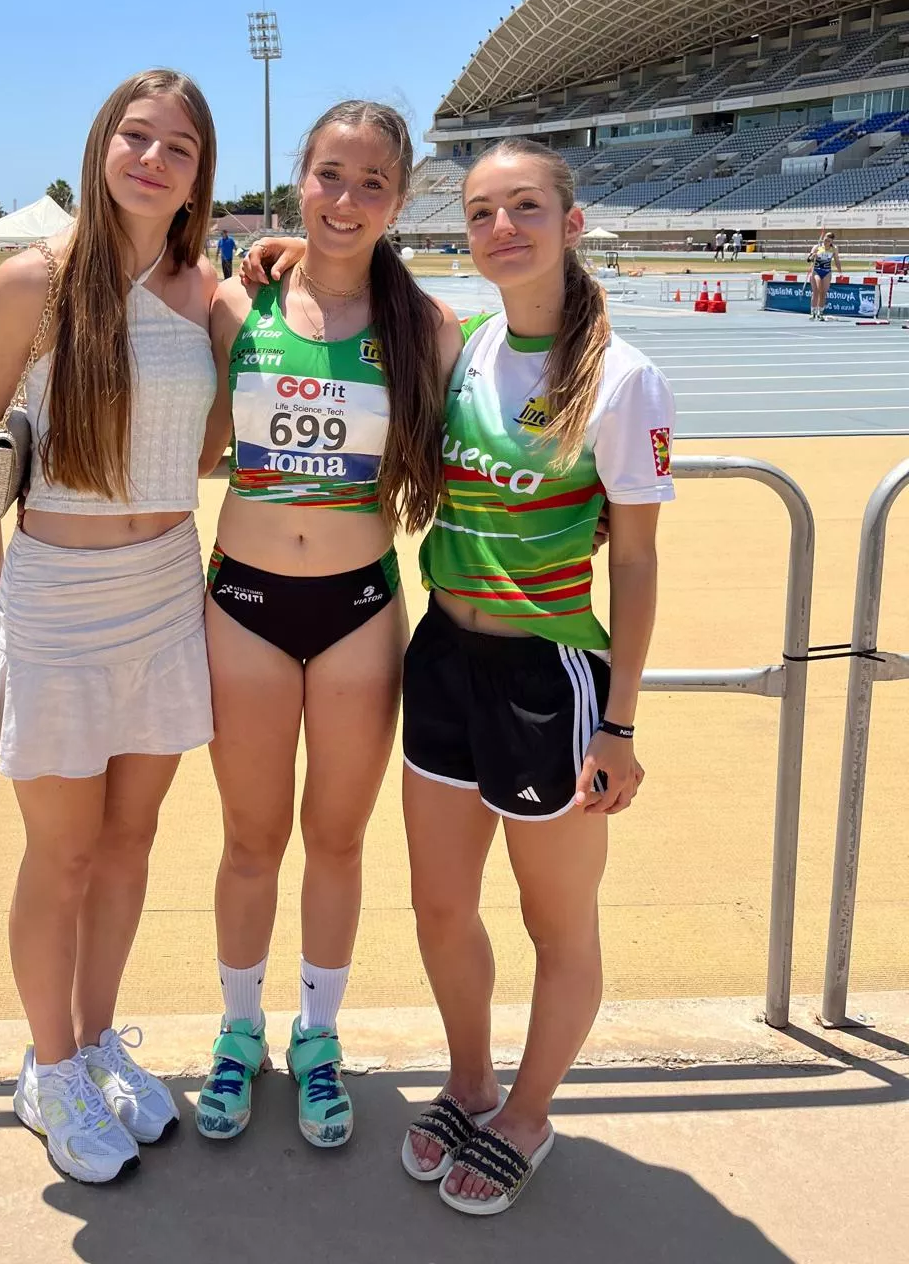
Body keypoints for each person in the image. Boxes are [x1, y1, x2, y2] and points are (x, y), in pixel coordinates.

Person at [0, 69, 219, 1184]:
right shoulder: (35, 281)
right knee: (60, 853)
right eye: (135, 136)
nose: (152, 159)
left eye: (178, 147)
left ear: (199, 176)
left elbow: (213, 440)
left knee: (129, 843)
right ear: (101, 146)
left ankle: (98, 1040)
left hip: (166, 586)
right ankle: (49, 1066)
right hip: (58, 594)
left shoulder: (206, 291)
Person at [395, 139, 674, 1217]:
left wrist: (620, 724)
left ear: (571, 222)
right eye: (481, 212)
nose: (501, 227)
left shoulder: (621, 376)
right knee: (438, 904)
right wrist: (273, 251)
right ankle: (469, 1084)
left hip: (547, 679)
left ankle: (527, 1112)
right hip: (441, 657)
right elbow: (357, 281)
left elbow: (636, 562)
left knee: (557, 922)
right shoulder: (466, 345)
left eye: (524, 207)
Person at [194, 101, 462, 1149]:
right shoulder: (237, 302)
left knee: (337, 838)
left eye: (372, 183)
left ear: (399, 199)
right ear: (299, 180)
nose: (347, 201)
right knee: (250, 837)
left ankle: (317, 1037)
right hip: (246, 606)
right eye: (330, 177)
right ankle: (237, 1030)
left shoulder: (427, 328)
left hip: (358, 609)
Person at [806, 229, 841, 321]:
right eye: (825, 240)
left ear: (831, 241)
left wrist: (840, 272)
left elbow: (837, 260)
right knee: (816, 291)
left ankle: (820, 312)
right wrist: (813, 256)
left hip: (827, 272)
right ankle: (813, 312)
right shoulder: (817, 247)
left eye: (828, 241)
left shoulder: (834, 249)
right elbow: (808, 260)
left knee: (823, 293)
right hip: (816, 271)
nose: (826, 242)